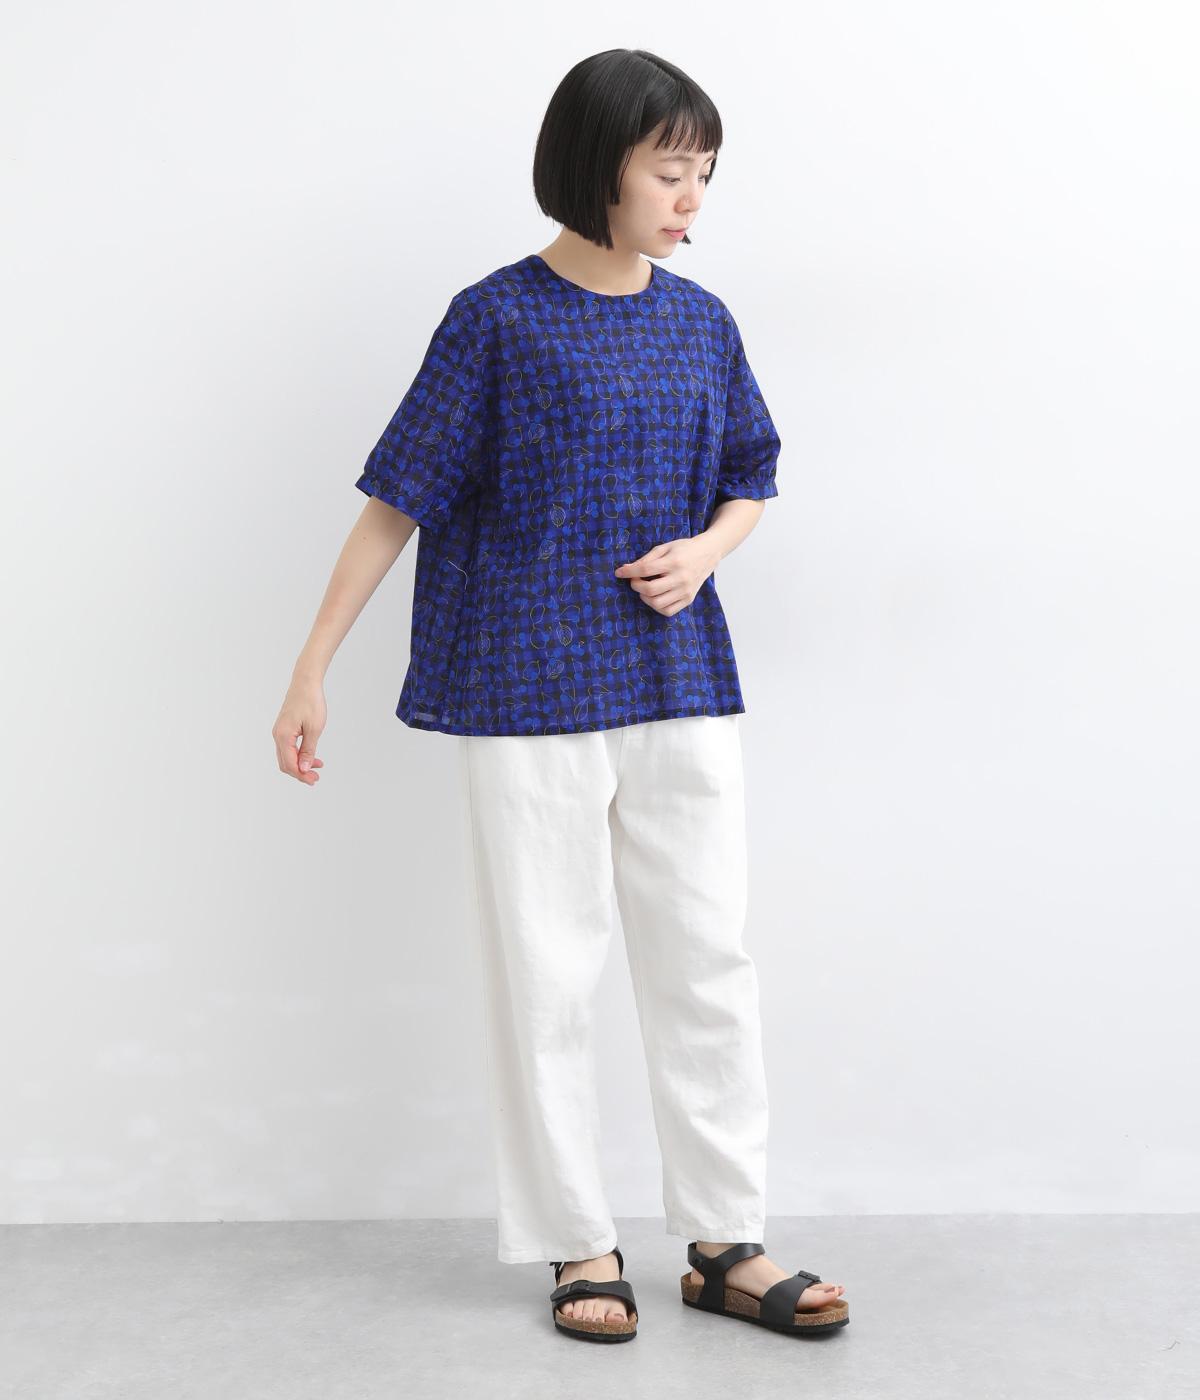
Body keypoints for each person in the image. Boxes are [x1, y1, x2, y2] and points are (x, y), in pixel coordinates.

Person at [272, 47, 848, 1343]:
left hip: (677, 678)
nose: (692, 198)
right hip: (526, 686)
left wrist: (707, 552)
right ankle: (578, 1242)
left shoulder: (702, 321)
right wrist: (311, 666)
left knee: (709, 959)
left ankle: (724, 1241)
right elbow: (400, 497)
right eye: (670, 170)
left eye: (705, 174)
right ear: (599, 166)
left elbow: (751, 472)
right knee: (546, 975)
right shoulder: (495, 318)